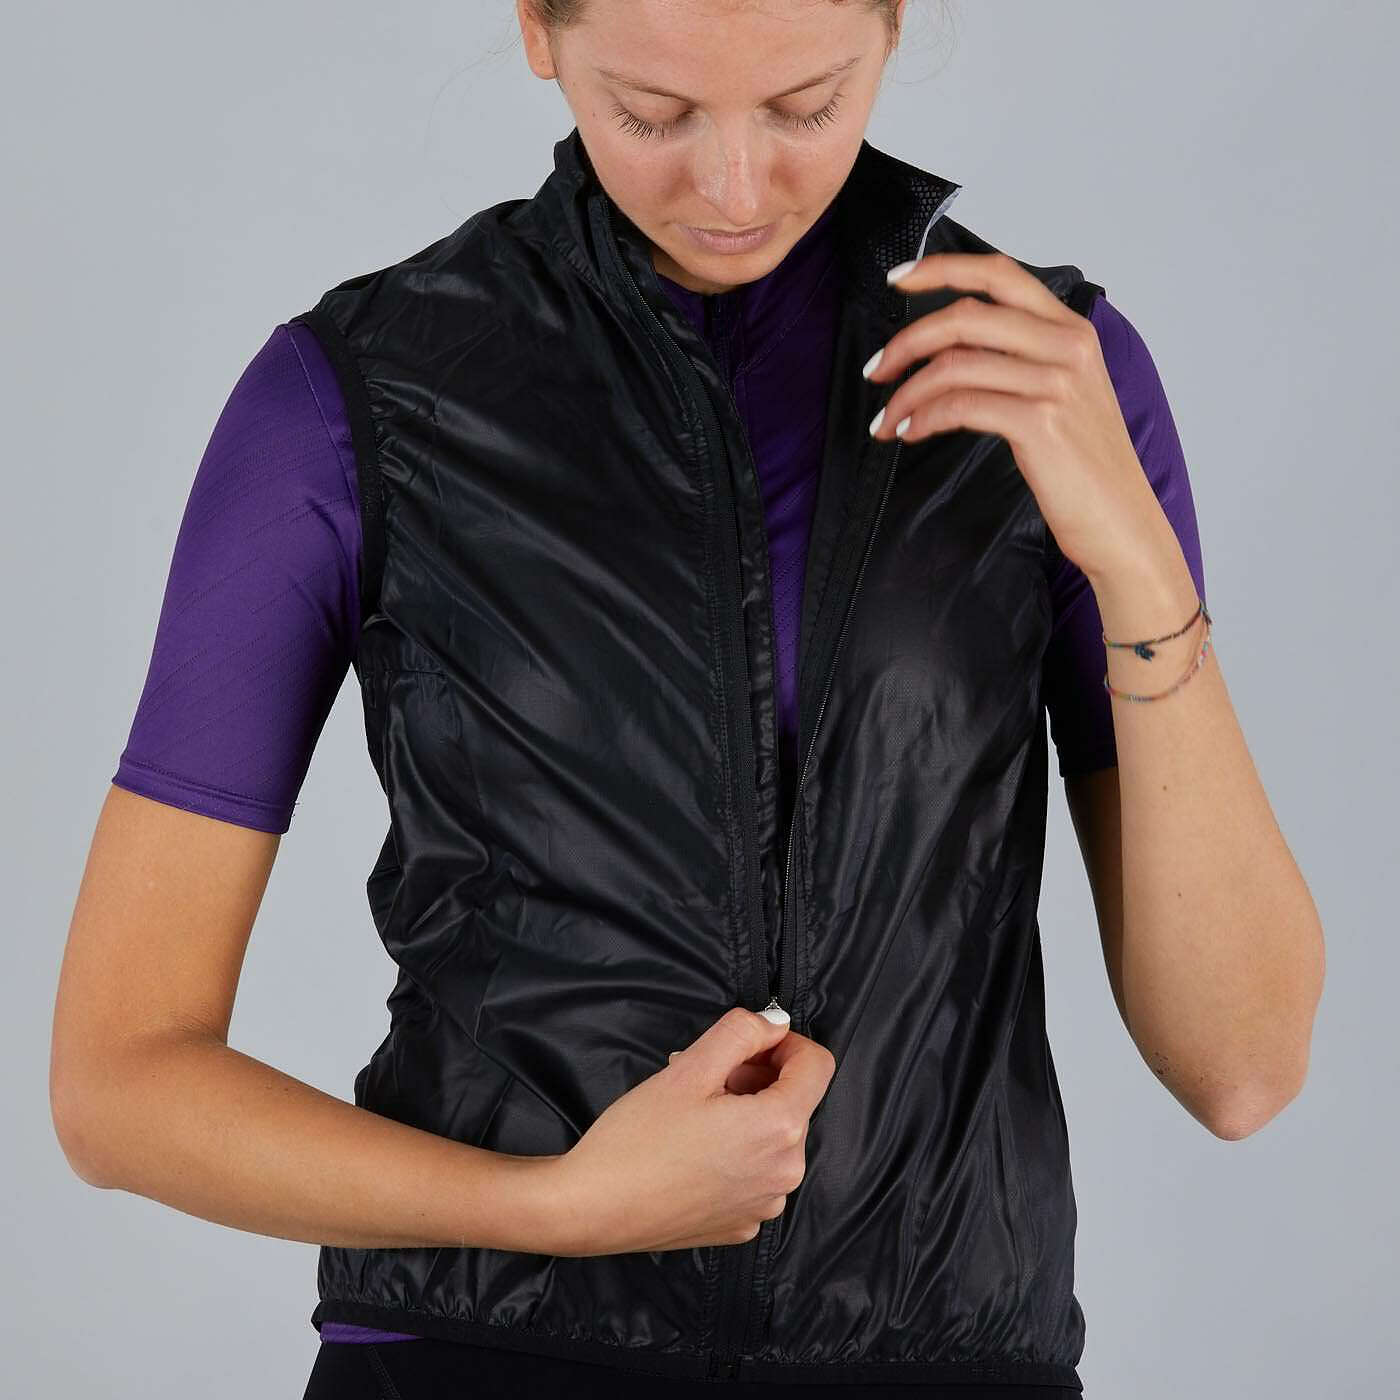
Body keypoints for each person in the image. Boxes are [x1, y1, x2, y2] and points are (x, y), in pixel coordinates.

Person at [51, 1, 1324, 1397]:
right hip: (479, 1363)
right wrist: (557, 1209)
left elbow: (1241, 1069)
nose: (731, 187)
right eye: (652, 113)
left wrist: (1136, 565)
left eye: (804, 106)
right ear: (538, 30)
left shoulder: (1053, 379)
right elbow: (119, 1084)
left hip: (941, 1366)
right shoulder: (360, 393)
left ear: (894, 26)